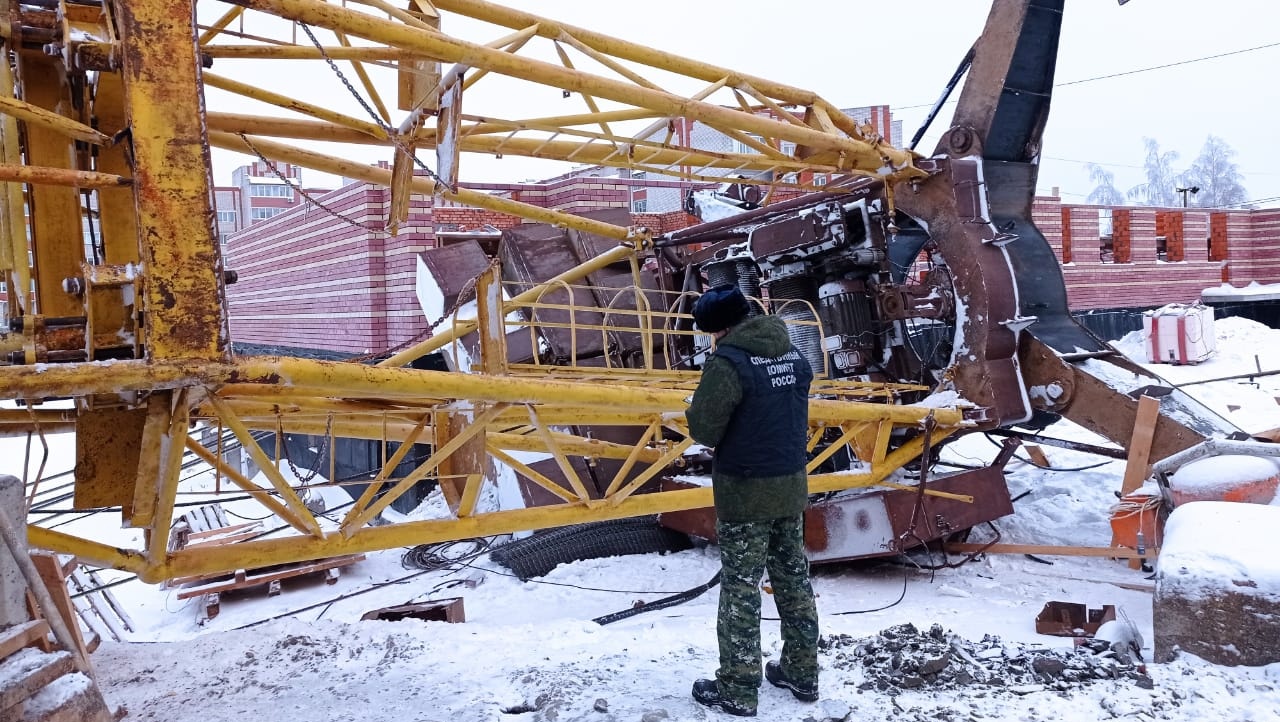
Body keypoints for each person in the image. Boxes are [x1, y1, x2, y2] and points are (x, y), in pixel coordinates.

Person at [685, 284, 820, 717]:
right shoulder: (791, 354)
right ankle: (802, 672)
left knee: (741, 590)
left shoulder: (728, 363)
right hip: (789, 486)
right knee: (793, 581)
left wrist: (697, 406)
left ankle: (738, 689)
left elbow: (704, 429)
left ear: (718, 328)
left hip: (745, 493)